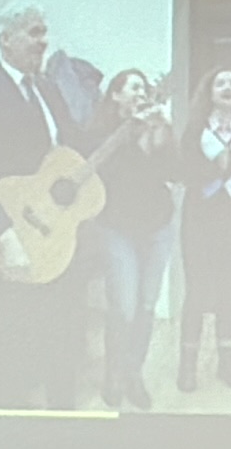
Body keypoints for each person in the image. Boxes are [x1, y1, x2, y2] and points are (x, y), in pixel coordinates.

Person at [0, 0, 98, 408]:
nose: (44, 41)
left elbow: (74, 147)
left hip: (59, 233)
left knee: (66, 331)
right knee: (22, 339)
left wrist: (122, 121)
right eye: (34, 32)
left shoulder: (49, 90)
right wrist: (4, 234)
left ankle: (63, 415)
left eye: (44, 32)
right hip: (19, 234)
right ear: (6, 40)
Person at [77, 66, 180, 409]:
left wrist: (164, 133)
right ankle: (114, 375)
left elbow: (176, 173)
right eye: (134, 87)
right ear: (115, 94)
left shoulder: (156, 130)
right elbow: (94, 168)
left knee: (147, 306)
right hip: (117, 228)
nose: (141, 93)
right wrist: (127, 131)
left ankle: (134, 374)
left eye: (144, 88)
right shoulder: (99, 132)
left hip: (158, 227)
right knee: (123, 307)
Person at [177, 67, 231, 395]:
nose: (228, 87)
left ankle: (228, 364)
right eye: (221, 83)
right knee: (197, 293)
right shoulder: (195, 131)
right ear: (209, 92)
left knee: (229, 293)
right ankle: (187, 367)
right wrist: (219, 165)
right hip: (200, 219)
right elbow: (187, 172)